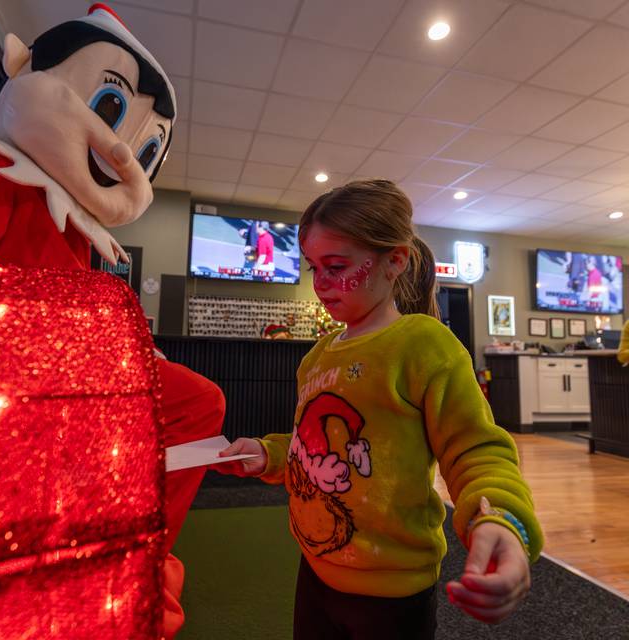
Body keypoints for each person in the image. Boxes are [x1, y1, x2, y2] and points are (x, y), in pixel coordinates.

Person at [0, 5, 223, 637]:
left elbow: (74, 315)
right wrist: (57, 344)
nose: (125, 151)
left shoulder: (72, 224)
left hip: (58, 385)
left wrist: (114, 345)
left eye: (146, 144)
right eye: (110, 109)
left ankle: (135, 541)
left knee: (197, 403)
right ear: (26, 71)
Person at [220, 179, 542, 639]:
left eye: (336, 266)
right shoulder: (317, 356)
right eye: (314, 268)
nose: (322, 284)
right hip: (314, 566)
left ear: (394, 261)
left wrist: (503, 519)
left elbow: (475, 449)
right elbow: (314, 447)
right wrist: (269, 454)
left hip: (392, 594)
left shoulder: (423, 344)